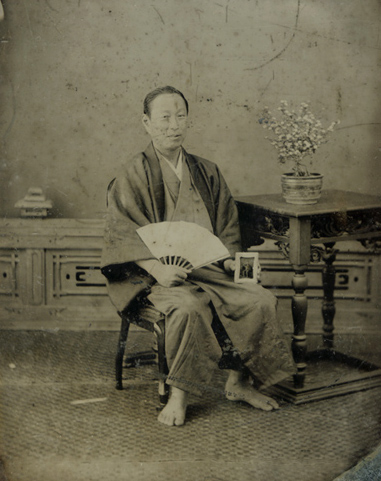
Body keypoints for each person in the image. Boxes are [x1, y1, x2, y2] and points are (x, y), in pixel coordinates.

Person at [101, 86, 296, 426]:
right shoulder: (133, 173)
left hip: (208, 268)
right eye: (164, 118)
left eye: (180, 116)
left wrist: (231, 260)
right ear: (146, 123)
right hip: (155, 275)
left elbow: (227, 229)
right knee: (188, 308)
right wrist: (157, 268)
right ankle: (180, 395)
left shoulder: (207, 171)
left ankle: (239, 382)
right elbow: (121, 234)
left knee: (259, 298)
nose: (173, 125)